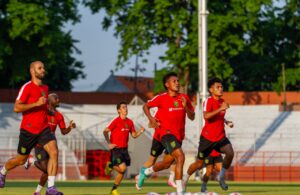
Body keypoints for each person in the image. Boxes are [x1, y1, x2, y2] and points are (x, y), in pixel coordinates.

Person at [0, 61, 63, 195]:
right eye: (40, 68)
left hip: (43, 129)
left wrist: (48, 110)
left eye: (43, 68)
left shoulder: (45, 88)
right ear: (32, 71)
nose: (43, 70)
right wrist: (36, 103)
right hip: (28, 130)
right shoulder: (27, 87)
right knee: (20, 160)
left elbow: (42, 106)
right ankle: (3, 171)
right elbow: (17, 108)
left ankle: (51, 188)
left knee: (54, 152)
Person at [137, 72, 195, 193]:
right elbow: (145, 107)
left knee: (166, 164)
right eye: (174, 81)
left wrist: (186, 107)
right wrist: (151, 119)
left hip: (179, 136)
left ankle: (146, 172)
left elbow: (192, 117)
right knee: (180, 156)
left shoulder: (184, 97)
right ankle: (180, 190)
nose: (177, 83)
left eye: (178, 81)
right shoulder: (161, 98)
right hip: (165, 134)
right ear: (167, 84)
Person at [183, 77, 234, 192]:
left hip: (220, 138)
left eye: (221, 87)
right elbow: (206, 116)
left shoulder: (223, 102)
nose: (220, 89)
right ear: (211, 90)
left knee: (230, 153)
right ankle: (185, 177)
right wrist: (221, 108)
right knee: (199, 164)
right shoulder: (208, 101)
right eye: (218, 87)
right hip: (207, 139)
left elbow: (219, 116)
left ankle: (220, 176)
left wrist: (226, 121)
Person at [25, 93, 76, 195]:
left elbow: (63, 132)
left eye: (58, 98)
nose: (58, 100)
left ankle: (37, 192)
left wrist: (70, 127)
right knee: (47, 169)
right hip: (40, 145)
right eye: (56, 98)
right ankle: (31, 160)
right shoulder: (43, 111)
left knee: (48, 171)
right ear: (49, 100)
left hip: (52, 144)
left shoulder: (59, 116)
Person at [104, 101, 145, 195]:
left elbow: (134, 135)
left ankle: (113, 189)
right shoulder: (116, 121)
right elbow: (105, 131)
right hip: (116, 149)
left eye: (126, 107)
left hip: (124, 149)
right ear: (118, 110)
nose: (125, 109)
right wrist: (109, 143)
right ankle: (110, 165)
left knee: (123, 171)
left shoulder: (130, 122)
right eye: (123, 107)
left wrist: (141, 131)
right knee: (122, 169)